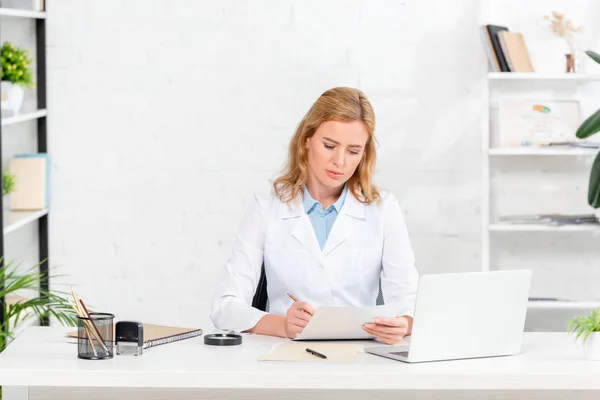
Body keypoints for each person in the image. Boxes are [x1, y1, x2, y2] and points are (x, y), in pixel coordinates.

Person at [210, 87, 418, 345]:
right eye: (329, 145)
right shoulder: (266, 210)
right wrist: (284, 325)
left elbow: (409, 300)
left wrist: (404, 324)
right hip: (285, 355)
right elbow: (225, 307)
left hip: (360, 357)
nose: (340, 161)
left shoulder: (383, 209)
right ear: (306, 139)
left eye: (353, 151)